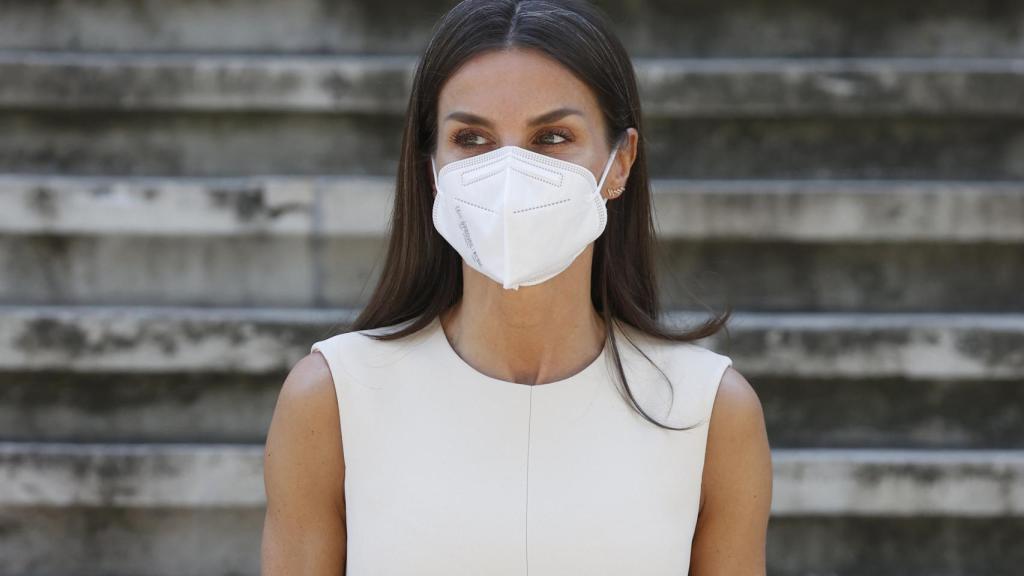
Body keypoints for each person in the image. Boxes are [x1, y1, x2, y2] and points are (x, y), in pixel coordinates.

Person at [261, 0, 771, 574]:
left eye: (552, 137)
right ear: (433, 167)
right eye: (472, 140)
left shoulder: (710, 412)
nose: (508, 175)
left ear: (620, 161)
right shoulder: (331, 400)